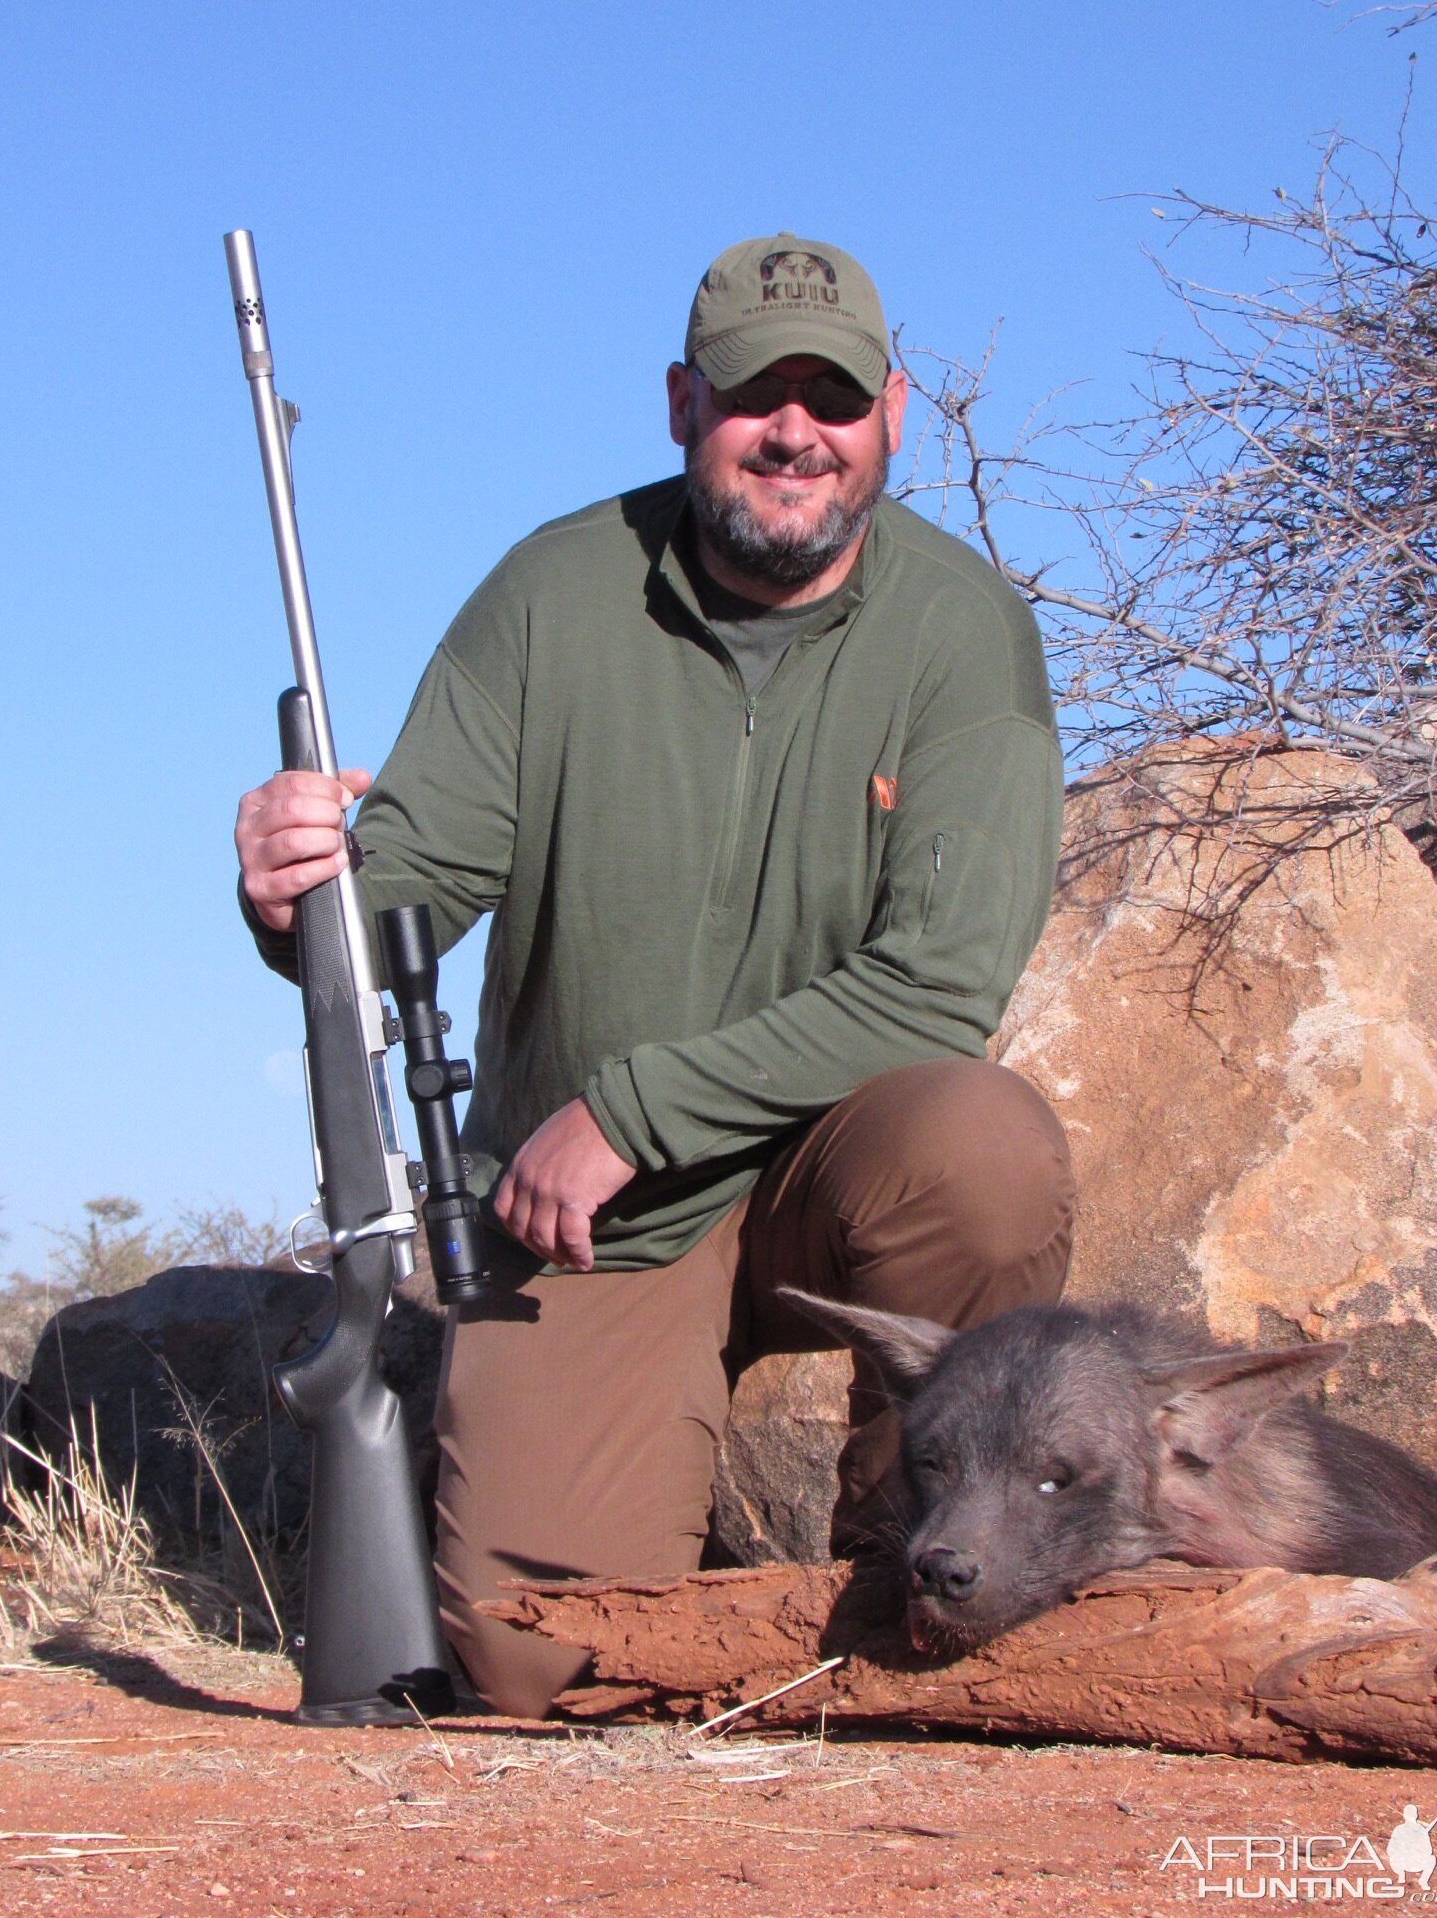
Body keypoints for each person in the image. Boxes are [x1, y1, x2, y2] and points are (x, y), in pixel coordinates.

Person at [235, 233, 1075, 1717]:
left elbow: (940, 986)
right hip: (590, 1225)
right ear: (685, 404)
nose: (795, 432)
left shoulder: (968, 633)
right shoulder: (551, 592)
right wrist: (299, 889)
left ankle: (897, 1571)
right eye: (757, 395)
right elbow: (408, 889)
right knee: (544, 1671)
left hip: (825, 1168)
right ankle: (720, 1608)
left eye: (831, 396)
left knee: (984, 1151)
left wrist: (637, 1107)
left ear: (893, 414)